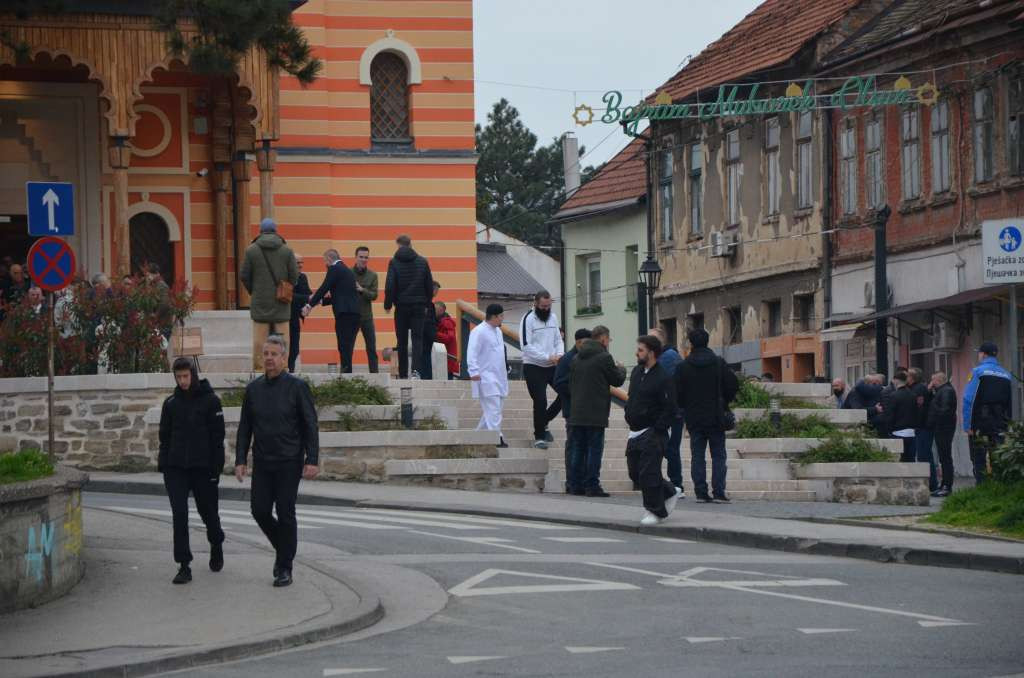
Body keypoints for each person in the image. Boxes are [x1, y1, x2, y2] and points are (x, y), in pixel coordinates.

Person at [234, 335, 319, 587]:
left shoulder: (297, 387)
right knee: (259, 510)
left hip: (289, 461)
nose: (269, 358)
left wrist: (311, 458)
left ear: (284, 358)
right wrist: (241, 459)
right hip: (263, 460)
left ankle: (284, 567)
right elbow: (244, 427)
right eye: (266, 354)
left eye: (274, 354)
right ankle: (284, 549)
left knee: (285, 512)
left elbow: (310, 424)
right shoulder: (253, 389)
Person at [158, 357, 225, 585]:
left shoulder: (211, 401)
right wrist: (164, 465)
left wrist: (216, 469)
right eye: (179, 377)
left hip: (203, 468)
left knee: (209, 514)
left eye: (186, 376)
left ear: (193, 374)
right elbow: (164, 437)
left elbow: (218, 440)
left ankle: (216, 543)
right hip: (176, 468)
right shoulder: (170, 404)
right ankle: (184, 564)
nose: (183, 381)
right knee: (180, 514)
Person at [675, 327, 739, 503]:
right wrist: (724, 401)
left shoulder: (683, 367)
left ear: (691, 343)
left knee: (698, 456)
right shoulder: (718, 363)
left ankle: (701, 493)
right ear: (707, 341)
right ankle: (719, 492)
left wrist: (685, 405)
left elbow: (677, 393)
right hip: (716, 416)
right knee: (718, 455)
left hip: (694, 417)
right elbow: (732, 384)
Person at [626, 335, 683, 526]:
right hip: (634, 431)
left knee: (648, 473)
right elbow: (632, 397)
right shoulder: (636, 372)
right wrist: (629, 413)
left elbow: (671, 407)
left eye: (641, 350)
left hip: (652, 432)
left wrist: (658, 427)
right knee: (634, 473)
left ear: (651, 353)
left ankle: (655, 510)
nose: (637, 352)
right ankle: (669, 491)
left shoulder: (663, 377)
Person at [568, 325, 626, 497]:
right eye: (608, 339)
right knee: (594, 449)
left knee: (578, 448)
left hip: (577, 412)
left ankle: (575, 484)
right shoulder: (604, 357)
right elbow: (616, 380)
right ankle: (592, 485)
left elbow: (571, 384)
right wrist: (621, 368)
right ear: (602, 339)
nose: (608, 343)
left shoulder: (576, 358)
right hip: (595, 412)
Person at [240, 218, 299, 370]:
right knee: (283, 338)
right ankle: (283, 367)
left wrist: (254, 290)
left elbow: (244, 275)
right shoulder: (286, 250)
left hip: (260, 302)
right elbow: (294, 275)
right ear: (275, 231)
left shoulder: (251, 250)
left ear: (261, 231)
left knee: (260, 340)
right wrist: (286, 287)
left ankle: (260, 368)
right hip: (282, 301)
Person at [384, 234, 433, 379]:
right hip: (419, 306)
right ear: (411, 244)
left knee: (402, 341)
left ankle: (403, 373)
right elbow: (429, 286)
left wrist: (388, 304)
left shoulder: (393, 262)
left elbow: (390, 285)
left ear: (399, 245)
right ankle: (416, 372)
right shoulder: (423, 262)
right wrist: (426, 304)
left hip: (401, 307)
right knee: (418, 339)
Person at [520, 291, 564, 449]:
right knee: (540, 400)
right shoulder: (528, 319)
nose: (546, 309)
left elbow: (558, 340)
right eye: (543, 306)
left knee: (567, 392)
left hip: (552, 366)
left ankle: (544, 420)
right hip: (533, 366)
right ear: (536, 304)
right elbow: (526, 346)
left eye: (548, 306)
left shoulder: (553, 317)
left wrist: (559, 355)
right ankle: (539, 436)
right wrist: (547, 356)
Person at [304, 249, 360, 373]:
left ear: (329, 259)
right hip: (354, 314)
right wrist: (321, 302)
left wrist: (309, 306)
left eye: (325, 261)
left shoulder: (334, 269)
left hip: (344, 314)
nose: (325, 264)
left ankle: (346, 375)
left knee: (343, 346)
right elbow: (340, 294)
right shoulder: (346, 270)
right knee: (347, 347)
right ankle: (347, 372)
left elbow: (324, 287)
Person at [963, 342, 1012, 484]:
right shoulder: (1006, 374)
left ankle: (982, 489)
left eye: (979, 353)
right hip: (999, 424)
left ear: (983, 354)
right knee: (997, 457)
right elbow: (1010, 402)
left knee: (978, 458)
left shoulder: (977, 372)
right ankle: (997, 489)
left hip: (980, 423)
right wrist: (1007, 425)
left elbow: (969, 400)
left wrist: (968, 425)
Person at [554, 328, 591, 493]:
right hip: (573, 410)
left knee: (584, 447)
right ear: (577, 342)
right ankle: (572, 482)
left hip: (586, 410)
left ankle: (583, 480)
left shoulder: (589, 358)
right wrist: (577, 389)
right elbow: (559, 383)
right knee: (574, 447)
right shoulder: (568, 359)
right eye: (585, 343)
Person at [467, 303, 508, 447]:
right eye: (502, 316)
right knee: (494, 409)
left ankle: (476, 436)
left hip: (500, 376)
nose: (503, 318)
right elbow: (471, 352)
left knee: (493, 410)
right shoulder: (478, 331)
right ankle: (497, 438)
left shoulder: (498, 332)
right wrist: (473, 371)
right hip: (485, 376)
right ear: (495, 316)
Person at [649, 327, 684, 492]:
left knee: (670, 448)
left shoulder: (668, 358)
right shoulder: (665, 356)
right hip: (670, 411)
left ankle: (676, 484)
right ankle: (674, 483)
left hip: (671, 411)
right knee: (668, 448)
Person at [927, 372, 958, 496]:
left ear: (938, 380)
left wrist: (935, 417)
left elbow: (945, 410)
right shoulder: (941, 390)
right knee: (943, 457)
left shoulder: (946, 391)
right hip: (941, 427)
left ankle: (947, 486)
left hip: (944, 428)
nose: (931, 383)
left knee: (945, 457)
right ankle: (944, 484)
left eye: (932, 380)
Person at [907, 367, 937, 492]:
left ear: (913, 378)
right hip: (922, 427)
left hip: (923, 427)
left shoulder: (918, 389)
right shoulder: (917, 388)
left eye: (907, 376)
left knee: (924, 456)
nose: (906, 379)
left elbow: (919, 409)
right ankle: (931, 484)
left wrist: (915, 424)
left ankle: (931, 484)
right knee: (924, 455)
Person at [878, 372, 918, 462]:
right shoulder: (913, 395)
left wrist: (889, 429)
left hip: (897, 432)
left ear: (896, 381)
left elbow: (890, 415)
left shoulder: (893, 396)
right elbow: (916, 413)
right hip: (911, 432)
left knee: (899, 461)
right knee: (910, 459)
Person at [352, 246, 379, 373]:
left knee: (371, 348)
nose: (363, 260)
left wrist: (362, 290)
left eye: (366, 257)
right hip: (351, 316)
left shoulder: (373, 275)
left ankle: (375, 375)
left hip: (367, 317)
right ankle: (346, 375)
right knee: (348, 348)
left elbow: (374, 295)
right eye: (361, 257)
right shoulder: (347, 273)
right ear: (356, 257)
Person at [288, 255, 312, 372]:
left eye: (302, 262)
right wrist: (308, 297)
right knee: (285, 349)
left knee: (295, 349)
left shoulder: (302, 277)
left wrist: (323, 298)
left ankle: (291, 372)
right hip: (284, 318)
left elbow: (308, 294)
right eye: (298, 262)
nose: (300, 265)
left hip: (295, 317)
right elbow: (289, 296)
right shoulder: (285, 277)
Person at [421, 281, 441, 379]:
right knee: (426, 361)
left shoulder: (423, 301)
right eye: (436, 290)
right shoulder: (427, 303)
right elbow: (428, 323)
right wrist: (434, 338)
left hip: (422, 337)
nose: (436, 292)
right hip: (426, 339)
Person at [434, 301, 458, 379]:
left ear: (442, 310)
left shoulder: (447, 322)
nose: (433, 311)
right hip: (445, 358)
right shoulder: (441, 321)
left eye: (435, 309)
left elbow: (449, 338)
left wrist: (435, 333)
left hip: (447, 359)